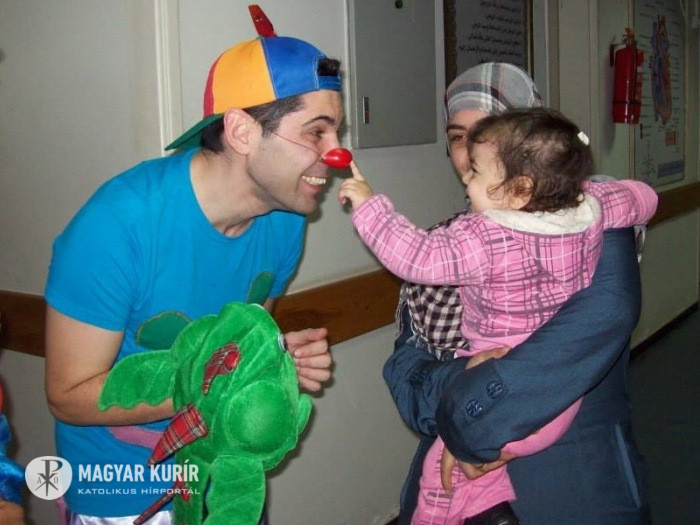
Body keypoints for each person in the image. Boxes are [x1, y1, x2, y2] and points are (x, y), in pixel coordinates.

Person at [44, 21, 338, 525]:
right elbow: (67, 397)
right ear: (242, 132)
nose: (336, 154)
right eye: (316, 131)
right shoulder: (117, 225)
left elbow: (234, 345)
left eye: (336, 132)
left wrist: (273, 360)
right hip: (124, 496)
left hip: (224, 483)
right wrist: (217, 384)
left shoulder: (285, 220)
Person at [339, 106, 656, 524]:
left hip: (523, 424)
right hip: (556, 412)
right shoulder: (589, 211)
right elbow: (641, 198)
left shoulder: (484, 237)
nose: (466, 176)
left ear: (520, 188)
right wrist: (601, 190)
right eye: (457, 137)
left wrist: (368, 206)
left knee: (439, 481)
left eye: (477, 169)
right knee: (462, 469)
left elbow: (416, 256)